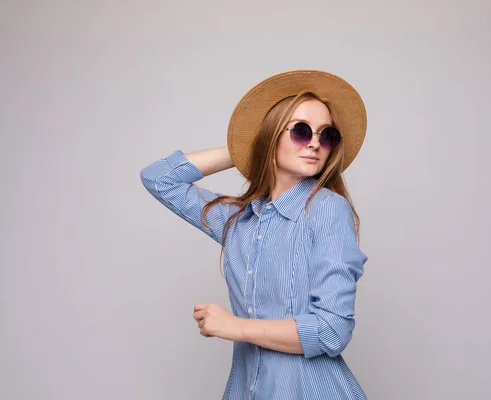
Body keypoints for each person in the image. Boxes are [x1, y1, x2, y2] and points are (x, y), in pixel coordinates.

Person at [140, 69, 369, 399]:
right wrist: (248, 147)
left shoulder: (326, 209)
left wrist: (236, 327)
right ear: (271, 134)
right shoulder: (238, 220)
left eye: (327, 135)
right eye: (301, 132)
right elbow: (159, 179)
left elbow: (332, 330)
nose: (316, 144)